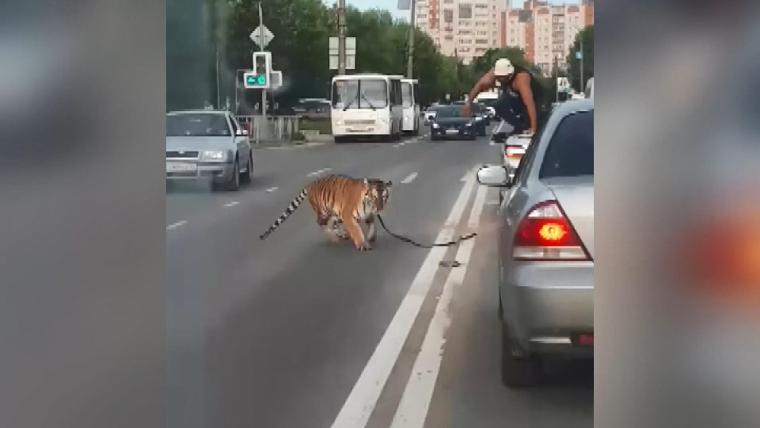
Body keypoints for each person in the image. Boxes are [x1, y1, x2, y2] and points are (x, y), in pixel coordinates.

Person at [463, 58, 543, 137]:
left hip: (537, 100)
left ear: (509, 75)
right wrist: (469, 102)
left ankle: (530, 125)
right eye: (498, 77)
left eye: (502, 78)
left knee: (529, 112)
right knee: (498, 104)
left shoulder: (521, 78)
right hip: (517, 99)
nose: (499, 80)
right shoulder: (494, 74)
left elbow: (530, 104)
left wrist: (533, 129)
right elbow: (480, 85)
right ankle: (520, 127)